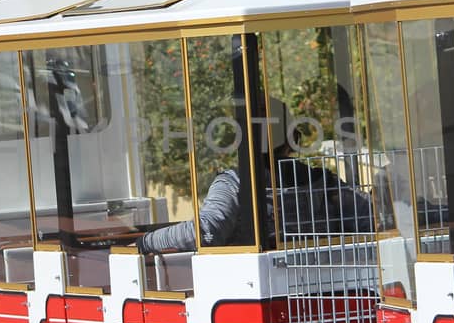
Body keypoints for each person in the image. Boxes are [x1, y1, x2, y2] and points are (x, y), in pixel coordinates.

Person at [140, 96, 371, 253]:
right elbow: (370, 218)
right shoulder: (325, 183)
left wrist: (144, 242)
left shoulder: (233, 185)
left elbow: (207, 232)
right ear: (294, 139)